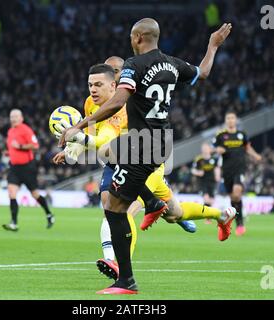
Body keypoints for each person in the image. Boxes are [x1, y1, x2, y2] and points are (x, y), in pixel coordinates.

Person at [60, 19, 232, 294]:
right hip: (157, 141)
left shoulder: (134, 65)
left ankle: (125, 279)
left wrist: (79, 126)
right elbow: (204, 72)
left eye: (131, 37)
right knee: (111, 156)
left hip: (142, 145)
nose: (130, 41)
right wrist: (212, 46)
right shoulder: (173, 63)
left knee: (114, 208)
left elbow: (118, 100)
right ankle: (154, 203)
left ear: (138, 37)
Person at [2, 109, 54, 231]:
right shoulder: (10, 131)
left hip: (27, 168)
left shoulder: (26, 130)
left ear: (21, 118)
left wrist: (19, 147)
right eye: (11, 116)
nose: (13, 119)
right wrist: (9, 152)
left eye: (15, 116)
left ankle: (49, 213)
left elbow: (35, 146)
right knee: (11, 192)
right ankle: (14, 223)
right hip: (14, 168)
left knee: (35, 194)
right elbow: (12, 148)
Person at [213, 111, 262, 236]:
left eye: (232, 118)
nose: (230, 120)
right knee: (233, 198)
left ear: (235, 121)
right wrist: (219, 150)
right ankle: (237, 220)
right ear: (226, 121)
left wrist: (255, 155)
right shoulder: (220, 135)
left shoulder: (242, 135)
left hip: (240, 169)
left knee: (237, 192)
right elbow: (215, 148)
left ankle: (240, 224)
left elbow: (247, 148)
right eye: (228, 118)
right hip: (227, 170)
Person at [191, 142, 221, 224]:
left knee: (211, 200)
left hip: (212, 182)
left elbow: (217, 168)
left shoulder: (214, 159)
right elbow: (193, 170)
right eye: (203, 148)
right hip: (202, 182)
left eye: (206, 148)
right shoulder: (199, 159)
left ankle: (208, 217)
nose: (205, 150)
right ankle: (207, 218)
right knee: (206, 198)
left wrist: (217, 176)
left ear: (209, 149)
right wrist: (198, 172)